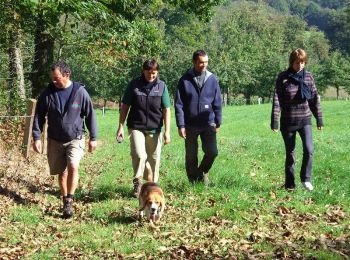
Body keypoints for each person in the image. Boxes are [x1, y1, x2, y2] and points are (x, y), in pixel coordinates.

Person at [32, 61, 97, 218]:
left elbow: (90, 114)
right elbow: (39, 116)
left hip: (75, 137)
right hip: (55, 139)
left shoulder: (80, 92)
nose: (53, 81)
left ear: (67, 75)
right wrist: (36, 136)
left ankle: (69, 200)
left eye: (57, 78)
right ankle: (64, 197)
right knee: (61, 173)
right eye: (52, 78)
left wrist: (93, 137)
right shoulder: (47, 93)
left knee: (73, 166)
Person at [116, 59, 171, 197]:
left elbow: (166, 110)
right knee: (140, 155)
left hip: (155, 128)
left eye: (154, 73)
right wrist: (120, 126)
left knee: (153, 159)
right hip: (136, 126)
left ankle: (152, 186)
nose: (151, 75)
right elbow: (125, 106)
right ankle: (138, 182)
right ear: (143, 71)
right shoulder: (134, 85)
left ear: (157, 72)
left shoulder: (162, 86)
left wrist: (167, 132)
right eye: (148, 72)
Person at [271, 48, 323, 191]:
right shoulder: (283, 77)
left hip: (305, 120)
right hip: (288, 122)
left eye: (302, 62)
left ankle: (306, 179)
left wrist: (319, 119)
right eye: (297, 62)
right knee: (291, 154)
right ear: (291, 62)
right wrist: (275, 121)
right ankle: (290, 185)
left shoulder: (308, 77)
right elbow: (277, 100)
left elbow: (314, 99)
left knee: (309, 150)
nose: (300, 65)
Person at [174, 50, 222, 184]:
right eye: (201, 62)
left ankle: (201, 172)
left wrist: (218, 122)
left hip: (208, 122)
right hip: (190, 124)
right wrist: (181, 125)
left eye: (206, 62)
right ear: (194, 62)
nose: (204, 65)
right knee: (191, 156)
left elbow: (217, 102)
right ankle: (193, 181)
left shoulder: (212, 78)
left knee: (212, 152)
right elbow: (178, 104)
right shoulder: (184, 80)